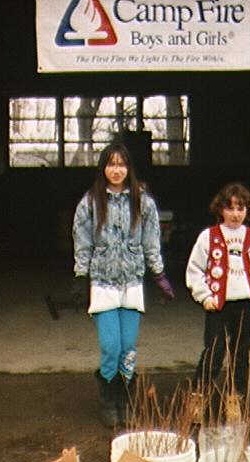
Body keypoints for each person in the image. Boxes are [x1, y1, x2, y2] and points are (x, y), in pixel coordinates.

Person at [72, 138, 175, 427]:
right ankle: (108, 398)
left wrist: (159, 275)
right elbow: (82, 242)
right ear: (103, 168)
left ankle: (124, 400)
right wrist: (82, 277)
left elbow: (151, 241)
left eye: (121, 164)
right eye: (111, 164)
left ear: (129, 168)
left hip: (132, 283)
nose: (116, 170)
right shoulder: (90, 202)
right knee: (110, 346)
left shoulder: (143, 202)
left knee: (128, 346)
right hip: (103, 284)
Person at [185, 182, 250, 401]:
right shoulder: (208, 236)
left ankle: (236, 399)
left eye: (241, 208)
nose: (235, 214)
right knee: (214, 352)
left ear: (248, 210)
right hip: (218, 304)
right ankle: (198, 397)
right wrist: (204, 296)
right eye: (230, 208)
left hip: (247, 305)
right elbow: (194, 270)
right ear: (220, 209)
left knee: (240, 355)